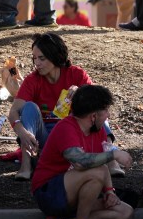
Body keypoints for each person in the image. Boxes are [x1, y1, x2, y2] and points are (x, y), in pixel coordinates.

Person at [32, 85, 133, 219]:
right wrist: (114, 154)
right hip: (49, 194)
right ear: (93, 116)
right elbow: (80, 162)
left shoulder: (98, 131)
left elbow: (100, 162)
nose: (108, 115)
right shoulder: (66, 127)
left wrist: (109, 192)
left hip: (74, 195)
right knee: (96, 171)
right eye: (105, 110)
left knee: (125, 212)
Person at [8, 33, 93, 180]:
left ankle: (110, 161)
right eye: (34, 58)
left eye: (42, 58)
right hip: (45, 136)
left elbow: (99, 103)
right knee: (29, 107)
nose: (37, 63)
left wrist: (81, 93)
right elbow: (14, 111)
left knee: (96, 109)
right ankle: (26, 165)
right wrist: (22, 131)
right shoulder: (32, 80)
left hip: (72, 134)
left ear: (55, 56)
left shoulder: (76, 74)